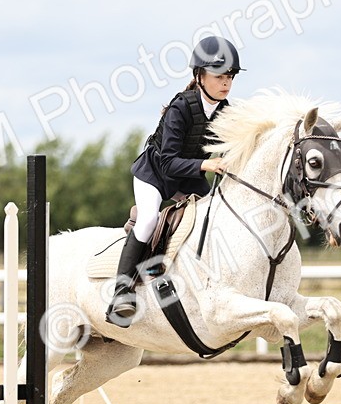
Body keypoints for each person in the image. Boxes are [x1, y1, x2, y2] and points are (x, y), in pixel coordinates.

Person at [105, 35, 244, 326]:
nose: (226, 83)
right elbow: (168, 161)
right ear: (200, 76)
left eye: (230, 77)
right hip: (155, 174)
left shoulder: (226, 110)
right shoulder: (181, 107)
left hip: (189, 176)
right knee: (148, 220)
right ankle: (121, 292)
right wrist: (207, 163)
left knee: (215, 216)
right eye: (220, 76)